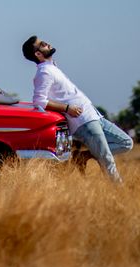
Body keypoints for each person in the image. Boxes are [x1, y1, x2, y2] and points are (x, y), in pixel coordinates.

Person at [22, 35, 133, 182]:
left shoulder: (52, 68)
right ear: (38, 54)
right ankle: (120, 192)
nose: (48, 43)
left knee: (126, 143)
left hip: (94, 116)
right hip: (83, 121)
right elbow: (39, 101)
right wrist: (67, 108)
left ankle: (82, 157)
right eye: (43, 44)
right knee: (107, 159)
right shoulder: (44, 72)